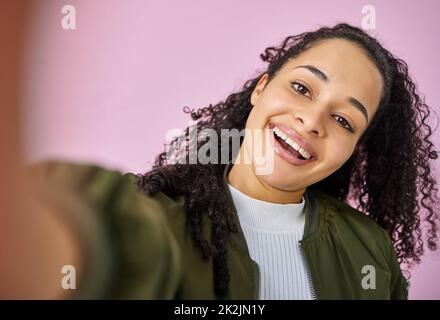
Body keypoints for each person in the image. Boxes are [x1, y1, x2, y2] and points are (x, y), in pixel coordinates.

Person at [29, 23, 438, 299]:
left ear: (355, 148)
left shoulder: (370, 251)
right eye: (301, 87)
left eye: (344, 120)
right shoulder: (148, 216)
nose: (311, 121)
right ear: (262, 88)